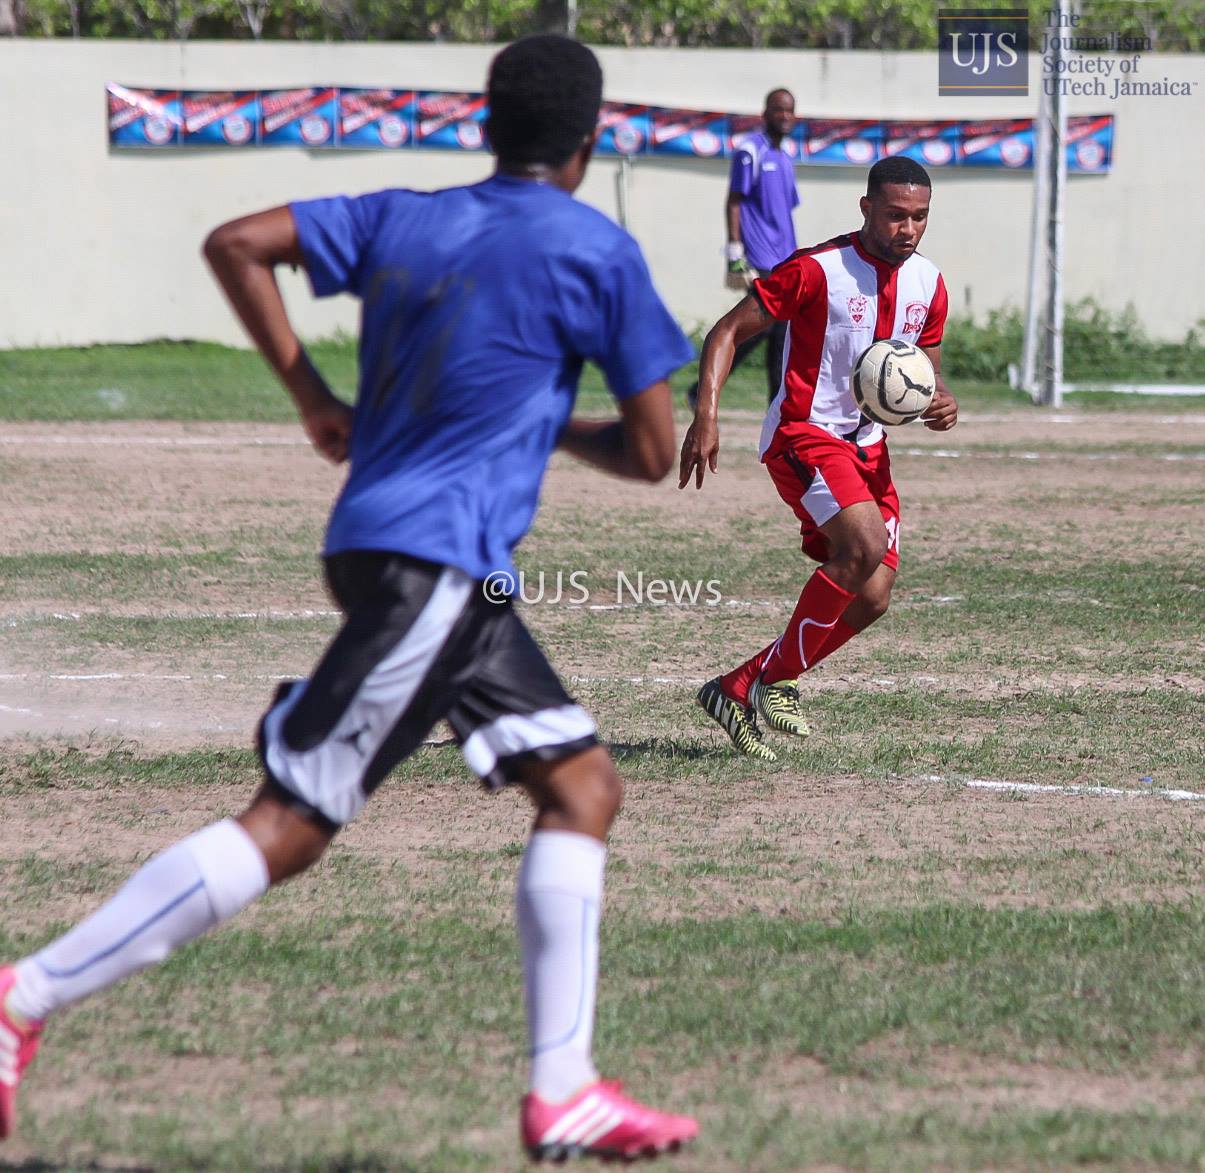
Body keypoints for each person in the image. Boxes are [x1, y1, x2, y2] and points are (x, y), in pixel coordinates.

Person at [0, 36, 699, 1163]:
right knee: (288, 826)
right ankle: (23, 998)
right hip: (438, 567)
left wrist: (314, 398)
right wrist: (550, 422)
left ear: (487, 128)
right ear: (588, 142)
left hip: (404, 555)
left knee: (581, 787)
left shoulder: (402, 217)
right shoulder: (596, 250)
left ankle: (563, 1089)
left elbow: (236, 243)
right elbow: (653, 452)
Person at [680, 156, 958, 762]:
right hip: (804, 435)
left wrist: (938, 399)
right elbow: (726, 332)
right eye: (896, 215)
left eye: (919, 217)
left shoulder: (929, 282)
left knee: (874, 594)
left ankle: (740, 686)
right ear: (866, 208)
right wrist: (707, 413)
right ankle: (775, 681)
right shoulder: (817, 270)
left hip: (869, 448)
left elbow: (925, 368)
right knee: (863, 547)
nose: (908, 229)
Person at [687, 88, 800, 410]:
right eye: (778, 109)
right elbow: (734, 200)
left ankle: (775, 403)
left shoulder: (785, 156)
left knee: (779, 330)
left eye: (790, 110)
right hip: (760, 254)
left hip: (785, 256)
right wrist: (735, 250)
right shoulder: (751, 151)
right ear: (765, 114)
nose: (784, 116)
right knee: (764, 324)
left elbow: (784, 211)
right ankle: (704, 388)